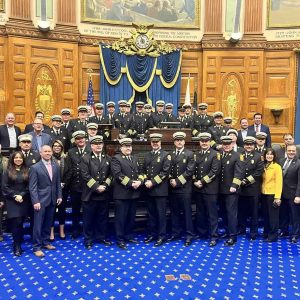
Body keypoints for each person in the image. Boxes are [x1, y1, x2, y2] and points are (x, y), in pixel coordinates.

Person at [29, 145, 62, 257]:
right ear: (41, 153)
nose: (48, 153)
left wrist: (59, 196)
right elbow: (32, 187)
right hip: (40, 201)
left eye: (49, 151)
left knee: (48, 222)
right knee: (38, 224)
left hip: (52, 199)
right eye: (45, 151)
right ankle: (36, 247)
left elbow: (57, 182)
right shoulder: (35, 167)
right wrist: (35, 201)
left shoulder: (55, 165)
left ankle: (45, 242)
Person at [111, 138, 144, 250]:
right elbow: (118, 175)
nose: (128, 148)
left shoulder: (134, 158)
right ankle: (120, 239)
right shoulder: (116, 158)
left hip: (133, 194)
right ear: (121, 148)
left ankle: (128, 235)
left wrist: (140, 181)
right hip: (122, 194)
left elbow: (140, 172)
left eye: (130, 146)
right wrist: (131, 184)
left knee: (131, 217)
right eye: (126, 146)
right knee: (121, 218)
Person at [80, 135, 112, 249]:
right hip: (90, 194)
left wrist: (105, 185)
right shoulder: (85, 158)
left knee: (102, 218)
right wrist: (96, 186)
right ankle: (88, 240)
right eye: (96, 144)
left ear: (103, 145)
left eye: (100, 144)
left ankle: (101, 237)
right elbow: (85, 175)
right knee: (88, 219)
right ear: (91, 146)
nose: (98, 146)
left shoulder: (108, 158)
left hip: (104, 193)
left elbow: (111, 175)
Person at [143, 133, 171, 247]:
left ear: (160, 142)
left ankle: (161, 236)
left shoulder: (166, 155)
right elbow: (144, 171)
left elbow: (165, 173)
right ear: (151, 143)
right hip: (148, 190)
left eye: (157, 142)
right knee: (151, 214)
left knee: (160, 214)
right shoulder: (147, 155)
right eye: (153, 142)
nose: (155, 144)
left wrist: (152, 182)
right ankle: (152, 234)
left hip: (160, 190)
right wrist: (145, 181)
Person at [193, 132, 221, 247]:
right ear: (200, 142)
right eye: (202, 141)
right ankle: (202, 233)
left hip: (210, 189)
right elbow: (193, 170)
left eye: (206, 141)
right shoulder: (196, 154)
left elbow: (214, 172)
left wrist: (202, 182)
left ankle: (214, 236)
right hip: (198, 188)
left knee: (212, 214)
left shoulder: (215, 154)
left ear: (210, 142)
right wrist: (195, 181)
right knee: (200, 212)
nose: (204, 143)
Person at [168, 132, 195, 246]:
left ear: (184, 141)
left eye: (181, 140)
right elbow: (167, 169)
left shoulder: (190, 154)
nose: (179, 142)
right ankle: (176, 233)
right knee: (174, 212)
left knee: (187, 212)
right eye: (177, 140)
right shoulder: (170, 154)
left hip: (184, 188)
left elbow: (190, 171)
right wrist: (171, 180)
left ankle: (189, 235)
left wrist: (177, 182)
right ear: (174, 142)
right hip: (173, 188)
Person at [2, 151, 30, 256]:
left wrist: (22, 195)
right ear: (12, 159)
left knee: (21, 222)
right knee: (16, 223)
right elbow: (4, 187)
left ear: (23, 159)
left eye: (20, 158)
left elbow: (29, 186)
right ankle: (16, 245)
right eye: (16, 158)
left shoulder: (26, 171)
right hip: (12, 201)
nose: (18, 159)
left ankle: (19, 240)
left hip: (24, 200)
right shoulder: (7, 171)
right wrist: (15, 196)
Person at [219, 136, 245, 246]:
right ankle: (227, 231)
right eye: (224, 144)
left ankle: (233, 236)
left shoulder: (238, 156)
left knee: (231, 214)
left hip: (231, 190)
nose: (226, 146)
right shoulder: (219, 155)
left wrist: (234, 185)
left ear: (232, 144)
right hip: (220, 189)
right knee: (223, 212)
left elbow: (240, 172)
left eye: (228, 144)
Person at [64, 130, 91, 239]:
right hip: (75, 186)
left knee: (88, 211)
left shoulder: (90, 150)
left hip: (88, 186)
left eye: (82, 138)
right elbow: (69, 169)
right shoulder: (71, 152)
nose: (80, 140)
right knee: (75, 210)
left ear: (85, 139)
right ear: (75, 141)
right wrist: (66, 183)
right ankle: (75, 230)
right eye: (78, 139)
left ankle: (87, 231)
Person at [238, 136, 264, 240]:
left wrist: (246, 181)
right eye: (247, 144)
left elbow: (258, 172)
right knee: (241, 211)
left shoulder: (259, 156)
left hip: (253, 189)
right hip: (241, 189)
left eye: (251, 144)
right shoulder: (239, 155)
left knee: (254, 213)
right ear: (244, 145)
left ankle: (253, 233)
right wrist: (240, 181)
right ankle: (242, 229)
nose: (249, 146)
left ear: (254, 145)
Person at [278, 144, 300, 242]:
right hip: (282, 193)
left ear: (296, 152)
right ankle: (284, 230)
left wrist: (298, 195)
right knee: (283, 214)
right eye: (289, 150)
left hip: (293, 195)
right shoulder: (281, 161)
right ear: (286, 151)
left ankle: (295, 234)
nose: (291, 152)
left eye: (293, 151)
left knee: (294, 216)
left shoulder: (299, 163)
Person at [261, 148, 283, 242]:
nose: (269, 156)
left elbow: (279, 182)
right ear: (265, 155)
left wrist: (277, 197)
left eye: (271, 154)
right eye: (267, 154)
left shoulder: (277, 167)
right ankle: (266, 233)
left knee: (273, 217)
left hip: (273, 194)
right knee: (266, 215)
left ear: (274, 156)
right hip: (264, 193)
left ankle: (273, 235)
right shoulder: (263, 165)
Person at [49, 140, 68, 241]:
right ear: (52, 147)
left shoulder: (66, 158)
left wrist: (63, 183)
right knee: (51, 211)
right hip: (51, 189)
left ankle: (62, 231)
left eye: (59, 146)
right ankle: (51, 232)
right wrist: (56, 184)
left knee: (62, 211)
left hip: (63, 188)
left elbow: (70, 172)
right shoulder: (48, 158)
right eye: (55, 146)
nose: (57, 147)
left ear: (62, 147)